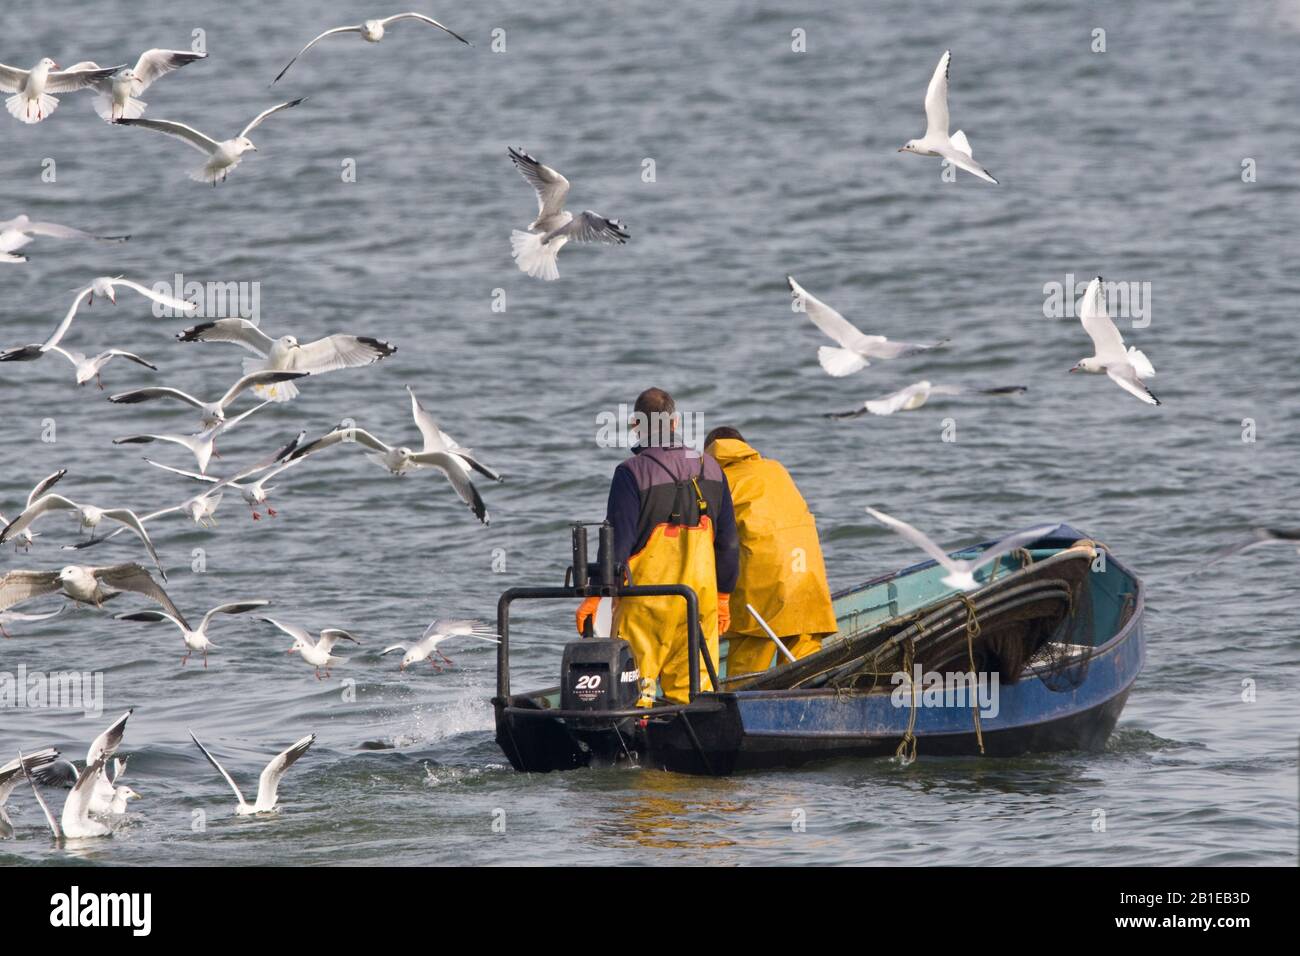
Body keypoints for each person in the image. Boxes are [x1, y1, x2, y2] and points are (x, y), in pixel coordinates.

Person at [577, 388, 738, 706]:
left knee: (636, 694)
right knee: (696, 695)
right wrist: (722, 599)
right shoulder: (712, 469)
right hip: (699, 605)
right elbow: (729, 543)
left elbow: (617, 545)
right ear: (676, 423)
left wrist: (594, 596)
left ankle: (633, 751)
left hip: (647, 606)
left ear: (636, 424)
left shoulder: (630, 473)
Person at [703, 426, 837, 677]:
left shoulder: (717, 481)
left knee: (747, 672)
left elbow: (709, 541)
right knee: (805, 674)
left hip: (762, 591)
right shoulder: (777, 469)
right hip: (808, 584)